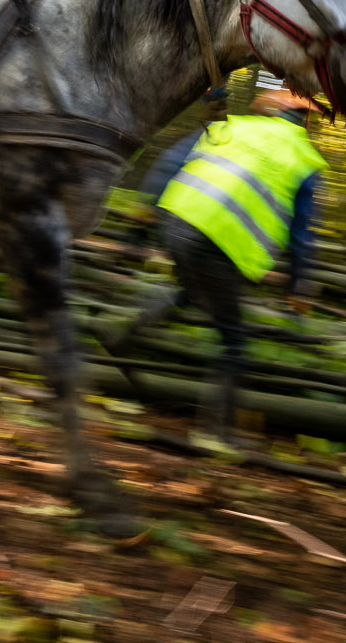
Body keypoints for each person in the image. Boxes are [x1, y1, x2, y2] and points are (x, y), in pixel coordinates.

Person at [105, 88, 326, 440]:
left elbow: (169, 163)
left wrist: (139, 225)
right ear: (306, 123)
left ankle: (125, 336)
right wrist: (297, 286)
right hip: (216, 245)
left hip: (176, 223)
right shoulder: (305, 160)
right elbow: (301, 234)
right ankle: (217, 430)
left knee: (192, 291)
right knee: (234, 341)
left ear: (272, 112)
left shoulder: (232, 126)